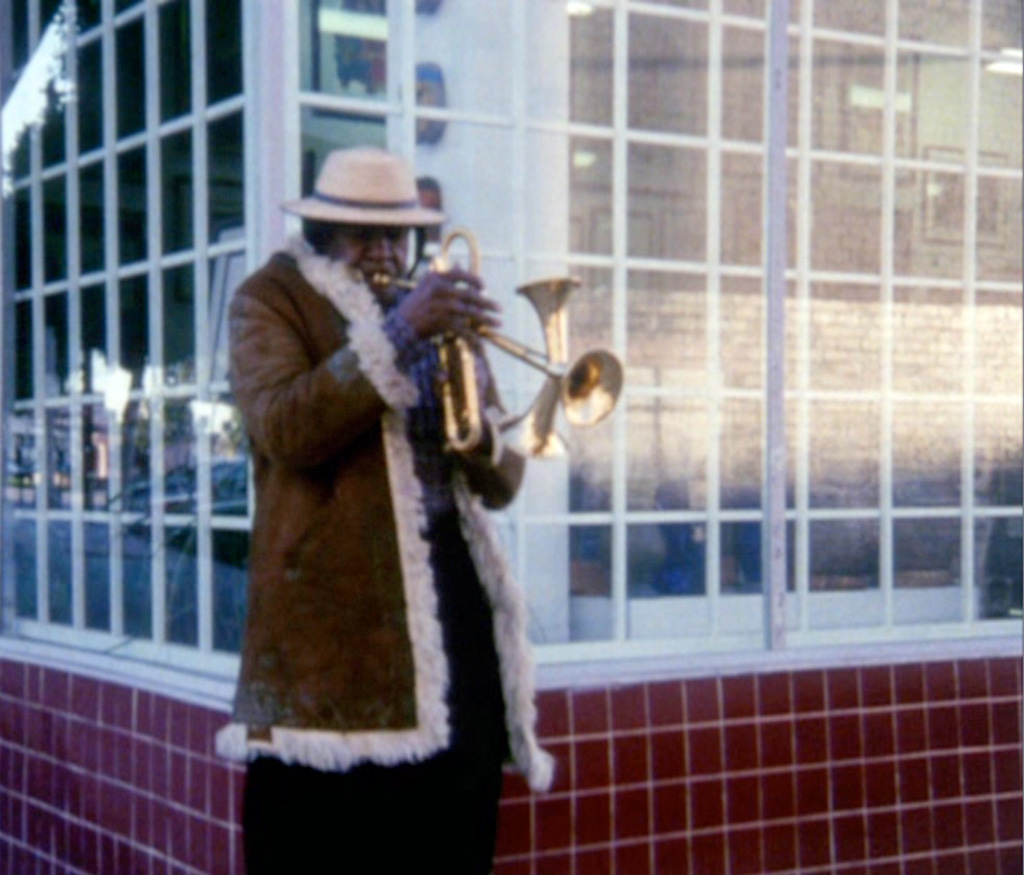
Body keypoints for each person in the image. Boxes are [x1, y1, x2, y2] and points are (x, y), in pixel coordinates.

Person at [215, 147, 553, 873]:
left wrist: (469, 411)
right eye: (364, 234)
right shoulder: (269, 299)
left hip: (452, 609)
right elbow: (283, 426)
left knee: (451, 827)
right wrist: (399, 338)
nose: (386, 252)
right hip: (335, 626)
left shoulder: (429, 310)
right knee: (334, 839)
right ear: (321, 231)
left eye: (398, 235)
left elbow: (504, 482)